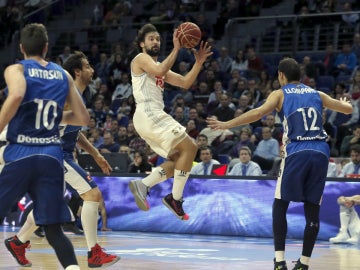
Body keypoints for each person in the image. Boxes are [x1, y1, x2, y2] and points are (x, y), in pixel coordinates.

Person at [207, 57, 353, 270]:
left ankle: (280, 261)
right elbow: (347, 110)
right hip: (321, 152)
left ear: (281, 76)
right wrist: (345, 102)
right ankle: (304, 263)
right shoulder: (317, 94)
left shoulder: (280, 93)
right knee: (312, 209)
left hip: (298, 150)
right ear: (300, 77)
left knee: (280, 205)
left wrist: (226, 124)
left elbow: (257, 113)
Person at [6, 51, 120, 268]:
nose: (92, 70)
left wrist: (95, 154)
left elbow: (73, 130)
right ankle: (94, 253)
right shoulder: (66, 97)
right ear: (77, 72)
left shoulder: (77, 95)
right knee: (92, 194)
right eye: (87, 66)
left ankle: (18, 242)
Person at [0, 23, 90, 270]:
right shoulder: (62, 74)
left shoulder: (17, 68)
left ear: (21, 47)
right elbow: (83, 118)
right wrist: (56, 118)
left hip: (20, 153)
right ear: (47, 47)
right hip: (51, 157)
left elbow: (17, 95)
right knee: (53, 231)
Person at [128, 23, 212, 220]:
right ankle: (175, 199)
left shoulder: (160, 68)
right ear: (142, 44)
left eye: (157, 38)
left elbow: (185, 82)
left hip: (147, 117)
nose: (156, 41)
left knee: (178, 158)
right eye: (151, 39)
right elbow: (158, 70)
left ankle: (144, 184)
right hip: (148, 111)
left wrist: (198, 62)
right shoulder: (141, 59)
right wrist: (177, 48)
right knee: (191, 147)